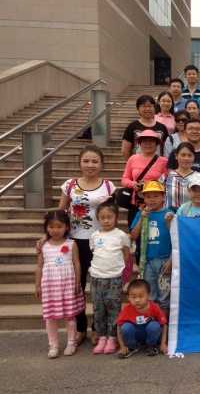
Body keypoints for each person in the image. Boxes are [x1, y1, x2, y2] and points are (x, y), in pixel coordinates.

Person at [51, 146, 115, 347]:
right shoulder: (69, 185)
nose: (90, 165)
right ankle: (80, 328)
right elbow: (60, 214)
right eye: (86, 161)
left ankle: (98, 327)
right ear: (80, 163)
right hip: (75, 241)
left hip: (100, 242)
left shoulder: (109, 186)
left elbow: (112, 214)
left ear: (101, 164)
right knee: (76, 286)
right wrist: (46, 236)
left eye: (95, 161)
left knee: (99, 286)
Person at [35, 210, 83, 358]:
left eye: (59, 226)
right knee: (50, 316)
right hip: (50, 287)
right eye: (51, 227)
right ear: (46, 228)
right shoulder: (43, 246)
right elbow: (39, 267)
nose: (55, 230)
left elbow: (77, 263)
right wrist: (37, 285)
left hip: (68, 285)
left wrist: (77, 283)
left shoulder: (71, 244)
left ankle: (71, 342)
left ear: (66, 227)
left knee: (70, 315)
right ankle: (53, 345)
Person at [88, 200, 130, 355]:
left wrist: (117, 269)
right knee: (98, 309)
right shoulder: (94, 236)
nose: (106, 220)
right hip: (96, 278)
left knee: (113, 309)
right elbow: (94, 253)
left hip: (113, 279)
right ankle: (102, 337)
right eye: (102, 217)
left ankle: (113, 337)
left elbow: (126, 255)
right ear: (98, 218)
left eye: (109, 217)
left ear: (116, 217)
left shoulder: (121, 236)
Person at [130, 181, 173, 318]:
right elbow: (133, 236)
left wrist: (171, 261)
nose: (152, 200)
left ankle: (163, 325)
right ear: (143, 198)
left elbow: (176, 239)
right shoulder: (141, 214)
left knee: (164, 298)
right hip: (147, 262)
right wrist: (142, 219)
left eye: (156, 196)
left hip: (164, 261)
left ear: (163, 197)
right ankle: (152, 323)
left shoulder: (169, 214)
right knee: (150, 295)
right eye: (148, 196)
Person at [121, 129, 168, 227]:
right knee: (135, 231)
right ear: (140, 144)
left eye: (151, 141)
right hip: (136, 203)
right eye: (144, 141)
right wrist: (133, 184)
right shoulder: (132, 159)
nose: (148, 144)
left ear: (156, 144)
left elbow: (166, 181)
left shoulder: (164, 161)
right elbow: (124, 179)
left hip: (156, 204)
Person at [116, 279, 168, 358]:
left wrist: (163, 343)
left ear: (149, 295)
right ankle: (132, 346)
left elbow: (164, 324)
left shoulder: (154, 307)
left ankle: (151, 345)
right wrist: (122, 346)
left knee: (154, 325)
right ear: (128, 297)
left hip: (150, 333)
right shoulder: (127, 309)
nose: (137, 300)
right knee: (125, 327)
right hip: (136, 333)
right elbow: (119, 326)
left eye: (141, 296)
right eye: (133, 297)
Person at [164, 142, 196, 211]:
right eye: (183, 155)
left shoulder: (199, 177)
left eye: (190, 155)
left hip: (192, 215)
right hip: (170, 215)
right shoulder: (167, 177)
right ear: (176, 156)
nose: (186, 158)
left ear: (194, 157)